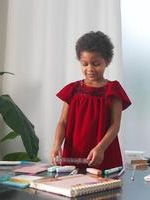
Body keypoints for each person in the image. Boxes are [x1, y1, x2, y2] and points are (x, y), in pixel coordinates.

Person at [51, 31, 132, 170]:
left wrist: (100, 148)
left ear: (107, 61)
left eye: (96, 64)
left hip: (103, 154)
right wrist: (57, 145)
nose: (89, 69)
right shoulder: (73, 90)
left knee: (105, 190)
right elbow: (62, 122)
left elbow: (115, 125)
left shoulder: (113, 90)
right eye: (84, 64)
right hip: (73, 155)